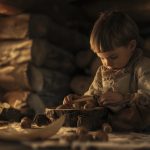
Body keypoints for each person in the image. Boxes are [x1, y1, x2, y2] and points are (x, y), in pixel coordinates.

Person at [63, 11, 150, 131]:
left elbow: (147, 96)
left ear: (131, 46)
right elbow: (93, 95)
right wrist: (78, 100)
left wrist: (123, 99)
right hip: (109, 123)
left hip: (139, 126)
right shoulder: (102, 71)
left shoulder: (142, 67)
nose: (107, 63)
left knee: (130, 115)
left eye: (113, 57)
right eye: (101, 58)